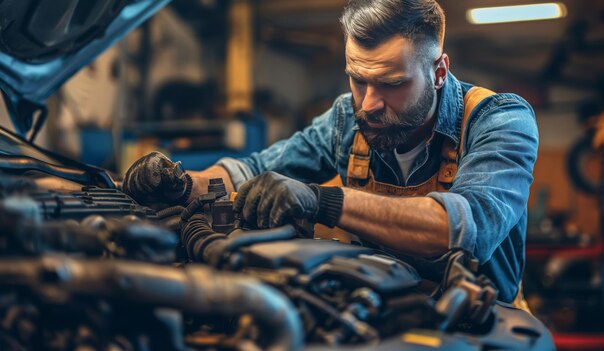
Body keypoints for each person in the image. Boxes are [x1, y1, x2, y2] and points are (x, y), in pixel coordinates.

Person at [123, 0, 538, 304]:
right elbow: (249, 170)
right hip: (381, 315)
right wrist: (182, 184)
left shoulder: (499, 120)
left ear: (439, 71)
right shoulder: (345, 118)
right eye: (358, 80)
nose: (369, 103)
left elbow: (465, 228)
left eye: (392, 83)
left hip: (481, 327)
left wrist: (323, 200)